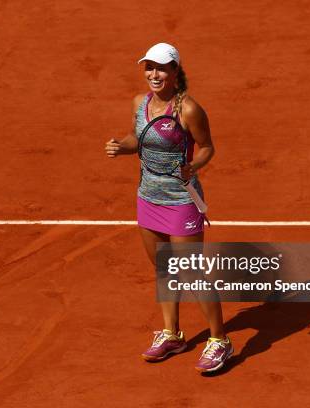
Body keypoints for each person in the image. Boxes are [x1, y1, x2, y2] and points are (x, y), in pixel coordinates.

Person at [105, 43, 232, 373]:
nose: (154, 74)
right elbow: (138, 138)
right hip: (148, 197)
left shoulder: (188, 110)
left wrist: (194, 166)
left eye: (161, 68)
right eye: (149, 67)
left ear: (176, 72)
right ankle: (172, 334)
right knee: (164, 268)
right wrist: (122, 146)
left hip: (181, 201)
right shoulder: (139, 103)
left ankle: (220, 340)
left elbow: (207, 147)